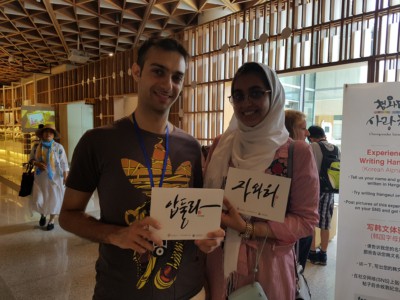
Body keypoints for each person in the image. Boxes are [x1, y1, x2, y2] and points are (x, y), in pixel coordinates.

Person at [59, 37, 224, 299]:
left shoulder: (191, 147)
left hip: (188, 290)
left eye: (177, 77)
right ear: (137, 72)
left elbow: (197, 216)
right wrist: (117, 235)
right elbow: (67, 215)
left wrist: (209, 239)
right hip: (120, 290)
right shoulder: (98, 141)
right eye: (158, 71)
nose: (168, 85)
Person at [203, 62, 319, 300]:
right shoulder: (221, 146)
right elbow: (205, 201)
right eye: (238, 95)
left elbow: (306, 221)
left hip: (268, 268)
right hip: (218, 263)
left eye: (256, 93)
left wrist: (248, 228)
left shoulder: (296, 153)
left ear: (273, 95)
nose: (246, 103)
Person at [307, 125, 340, 266]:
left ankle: (313, 253)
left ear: (311, 137)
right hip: (330, 191)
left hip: (314, 189)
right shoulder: (336, 148)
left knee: (312, 223)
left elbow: (308, 167)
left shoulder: (313, 146)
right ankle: (324, 255)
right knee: (325, 224)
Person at [284, 109, 313, 271]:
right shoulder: (299, 151)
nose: (307, 132)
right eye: (303, 128)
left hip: (298, 227)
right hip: (290, 232)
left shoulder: (302, 151)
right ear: (290, 130)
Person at [30, 124, 69, 231]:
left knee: (54, 199)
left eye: (51, 132)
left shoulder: (58, 147)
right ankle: (43, 214)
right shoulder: (36, 147)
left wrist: (65, 177)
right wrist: (37, 164)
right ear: (42, 134)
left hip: (55, 179)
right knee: (40, 198)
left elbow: (64, 163)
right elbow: (31, 160)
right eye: (46, 132)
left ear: (53, 135)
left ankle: (51, 220)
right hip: (40, 178)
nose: (48, 134)